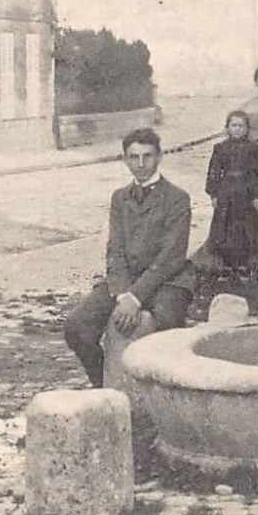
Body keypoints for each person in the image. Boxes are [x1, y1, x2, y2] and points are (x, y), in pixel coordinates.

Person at [63, 128, 197, 386]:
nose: (141, 164)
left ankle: (168, 394)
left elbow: (171, 256)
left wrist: (135, 298)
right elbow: (115, 251)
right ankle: (105, 385)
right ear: (125, 159)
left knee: (168, 325)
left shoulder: (177, 198)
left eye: (147, 156)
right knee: (76, 327)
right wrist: (123, 294)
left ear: (159, 157)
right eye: (134, 157)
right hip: (125, 281)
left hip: (167, 280)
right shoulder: (120, 198)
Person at [204, 110, 258, 275]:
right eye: (234, 125)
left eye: (241, 126)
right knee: (225, 228)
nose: (237, 129)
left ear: (247, 129)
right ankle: (226, 264)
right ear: (227, 128)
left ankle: (243, 264)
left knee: (245, 229)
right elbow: (214, 172)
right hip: (226, 192)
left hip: (245, 193)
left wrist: (257, 195)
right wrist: (214, 194)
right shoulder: (220, 148)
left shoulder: (253, 149)